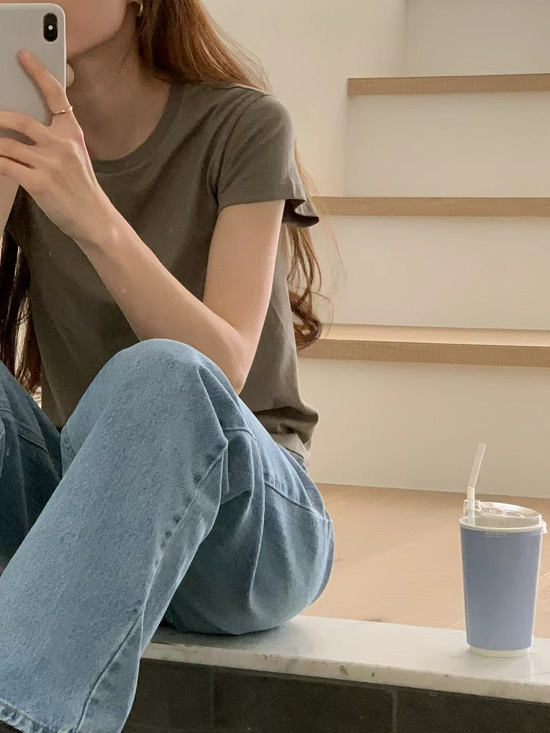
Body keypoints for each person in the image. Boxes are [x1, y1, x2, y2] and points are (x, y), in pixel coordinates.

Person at [0, 1, 335, 732]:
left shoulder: (244, 125)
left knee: (162, 372)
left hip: (246, 530)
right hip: (84, 514)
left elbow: (223, 366)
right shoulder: (21, 141)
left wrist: (91, 214)